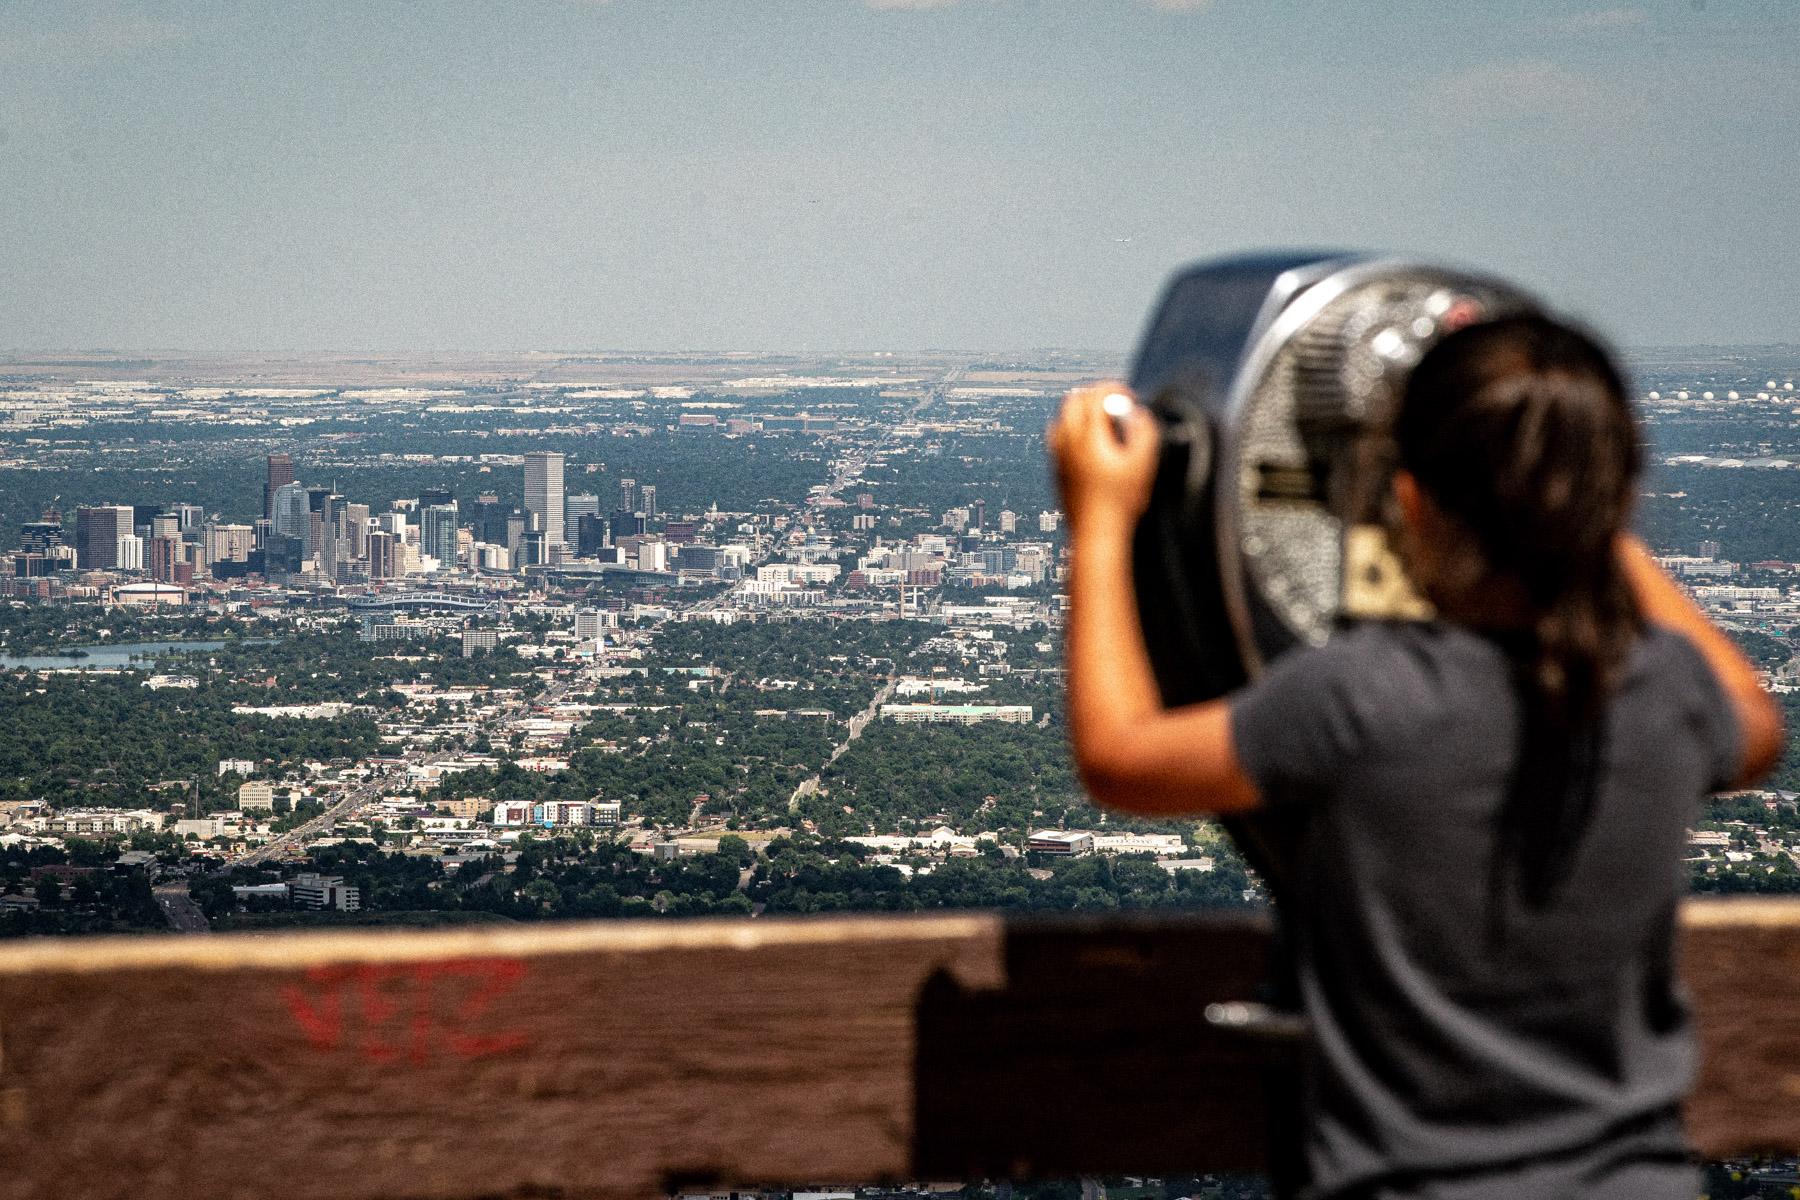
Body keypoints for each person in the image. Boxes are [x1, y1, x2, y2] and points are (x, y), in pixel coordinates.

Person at [1049, 314, 1783, 1200]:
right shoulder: (1664, 693)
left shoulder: (1365, 695)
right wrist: (1578, 509)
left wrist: (1100, 520)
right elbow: (1756, 724)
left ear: (1410, 505)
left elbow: (1120, 758)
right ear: (1614, 500)